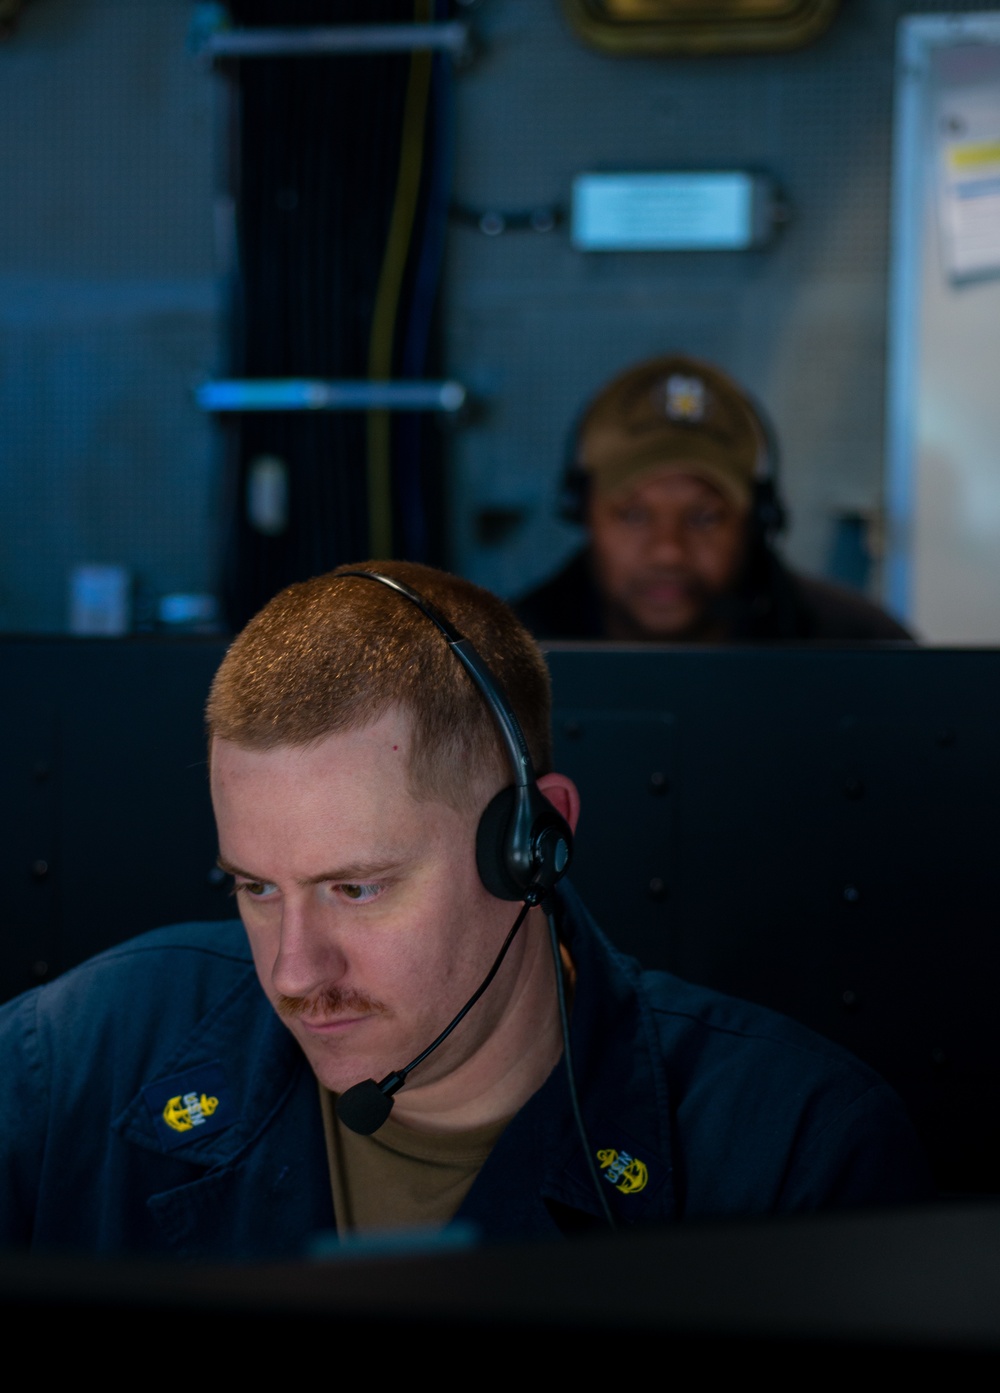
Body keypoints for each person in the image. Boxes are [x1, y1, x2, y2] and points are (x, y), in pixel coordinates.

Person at [0, 561, 929, 1260]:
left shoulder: (795, 1153)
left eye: (356, 887)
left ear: (534, 843)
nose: (293, 973)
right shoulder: (73, 1062)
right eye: (255, 888)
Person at [515, 355, 913, 643]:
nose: (668, 552)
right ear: (581, 510)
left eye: (704, 518)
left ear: (756, 520)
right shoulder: (497, 661)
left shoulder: (862, 648)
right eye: (633, 515)